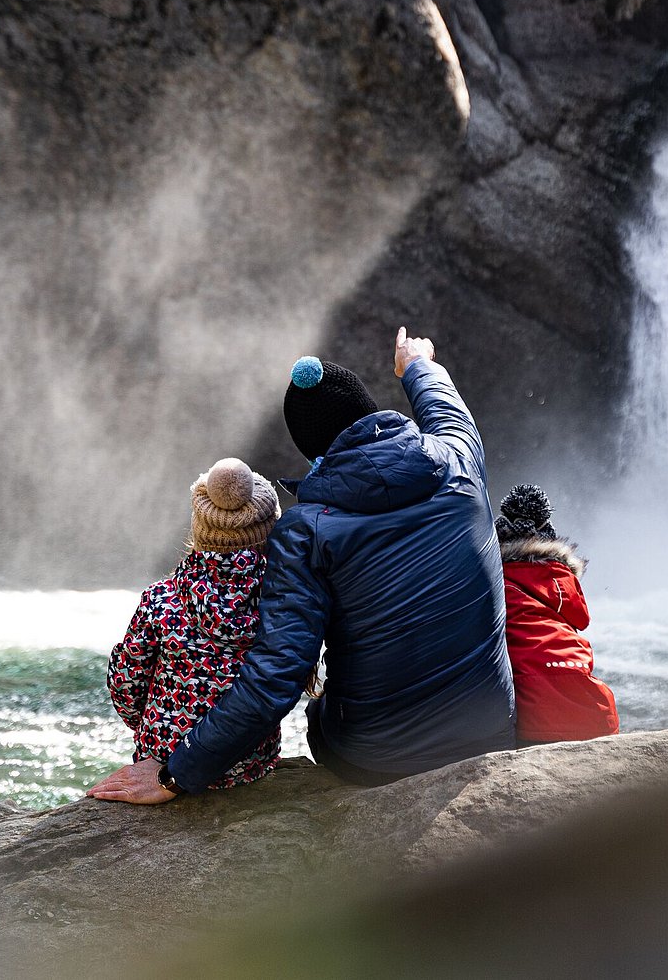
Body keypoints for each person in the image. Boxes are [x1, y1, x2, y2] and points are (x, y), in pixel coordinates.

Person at [89, 327, 515, 802]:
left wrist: (175, 774)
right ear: (368, 410)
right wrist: (416, 364)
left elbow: (278, 674)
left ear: (313, 453)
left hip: (373, 761)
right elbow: (444, 404)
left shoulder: (306, 529)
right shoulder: (459, 458)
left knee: (323, 714)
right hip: (489, 739)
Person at [95, 457, 283, 795]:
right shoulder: (284, 606)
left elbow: (126, 684)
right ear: (270, 531)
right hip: (250, 765)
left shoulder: (160, 600)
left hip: (163, 758)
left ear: (198, 528)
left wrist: (160, 731)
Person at [493, 483, 621, 745]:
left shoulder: (492, 576)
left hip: (536, 718)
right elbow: (581, 619)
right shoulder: (561, 578)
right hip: (596, 713)